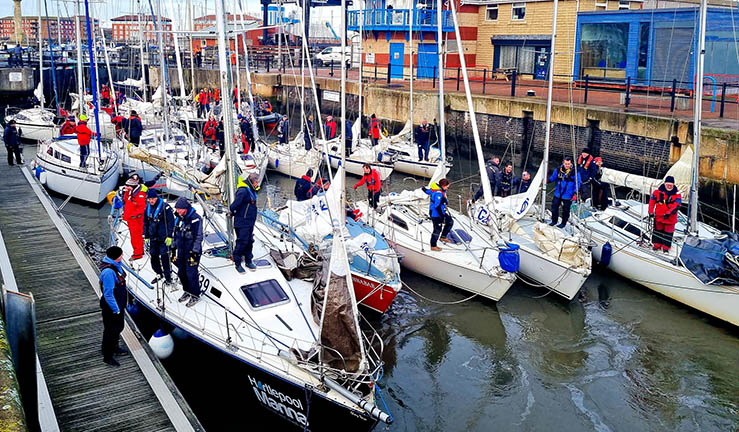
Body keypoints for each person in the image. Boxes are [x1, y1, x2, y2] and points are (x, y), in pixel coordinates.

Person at [99, 246, 128, 367]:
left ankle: (114, 347)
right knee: (110, 331)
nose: (122, 256)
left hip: (119, 304)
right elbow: (108, 294)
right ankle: (107, 356)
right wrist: (115, 310)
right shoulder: (109, 272)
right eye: (121, 255)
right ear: (116, 257)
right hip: (112, 308)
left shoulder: (116, 266)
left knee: (118, 328)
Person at [172, 197, 203, 307]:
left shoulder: (196, 219)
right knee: (181, 272)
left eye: (180, 209)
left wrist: (195, 251)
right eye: (177, 209)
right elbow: (176, 233)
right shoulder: (179, 219)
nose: (178, 211)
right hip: (181, 250)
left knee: (191, 273)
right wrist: (173, 246)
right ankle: (187, 290)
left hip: (192, 252)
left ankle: (195, 295)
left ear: (185, 208)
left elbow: (199, 236)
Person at [144, 189, 174, 286]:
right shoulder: (147, 209)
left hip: (164, 237)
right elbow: (146, 223)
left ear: (156, 198)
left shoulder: (166, 208)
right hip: (153, 238)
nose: (151, 201)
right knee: (153, 256)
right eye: (149, 199)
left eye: (153, 199)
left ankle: (168, 277)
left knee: (165, 257)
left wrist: (169, 235)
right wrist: (146, 236)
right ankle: (159, 273)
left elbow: (171, 222)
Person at [230, 173, 260, 273]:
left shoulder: (251, 190)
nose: (258, 184)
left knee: (249, 241)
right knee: (241, 242)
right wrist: (235, 213)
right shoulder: (243, 191)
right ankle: (237, 262)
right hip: (242, 222)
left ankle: (248, 260)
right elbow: (234, 206)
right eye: (257, 182)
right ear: (253, 182)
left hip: (250, 222)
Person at [648, 176, 682, 253]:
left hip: (670, 219)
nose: (669, 186)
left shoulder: (677, 195)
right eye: (667, 185)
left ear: (673, 185)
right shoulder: (657, 192)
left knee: (668, 234)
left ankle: (666, 248)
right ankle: (656, 246)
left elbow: (677, 205)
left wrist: (668, 213)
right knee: (657, 231)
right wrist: (650, 212)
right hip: (659, 217)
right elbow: (651, 202)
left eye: (671, 185)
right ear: (664, 184)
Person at [548, 156, 580, 228]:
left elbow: (577, 183)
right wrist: (547, 181)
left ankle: (563, 223)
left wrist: (575, 193)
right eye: (566, 164)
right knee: (554, 206)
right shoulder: (558, 169)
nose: (567, 165)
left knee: (566, 209)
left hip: (568, 194)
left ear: (571, 163)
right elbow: (553, 177)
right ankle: (554, 221)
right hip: (558, 193)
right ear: (563, 163)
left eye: (568, 164)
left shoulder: (575, 172)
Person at [424, 178, 453, 251]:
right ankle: (433, 245)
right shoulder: (438, 193)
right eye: (447, 187)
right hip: (436, 214)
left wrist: (423, 189)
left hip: (440, 212)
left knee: (450, 222)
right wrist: (442, 216)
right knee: (437, 229)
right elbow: (437, 206)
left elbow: (428, 191)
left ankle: (443, 237)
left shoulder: (437, 189)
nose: (447, 188)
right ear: (443, 186)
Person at [122, 176, 147, 259]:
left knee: (136, 237)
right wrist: (126, 192)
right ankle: (139, 250)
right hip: (130, 218)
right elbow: (125, 200)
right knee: (134, 237)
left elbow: (142, 208)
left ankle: (138, 253)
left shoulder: (140, 195)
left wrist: (133, 215)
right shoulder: (130, 192)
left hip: (136, 220)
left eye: (127, 186)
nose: (126, 187)